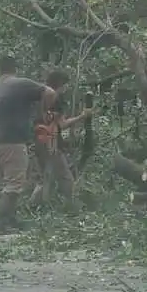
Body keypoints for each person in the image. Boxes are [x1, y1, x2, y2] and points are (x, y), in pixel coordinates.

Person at [0, 56, 57, 234]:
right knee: (15, 184)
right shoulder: (20, 83)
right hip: (12, 140)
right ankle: (0, 224)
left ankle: (11, 220)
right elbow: (50, 93)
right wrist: (44, 111)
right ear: (15, 69)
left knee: (4, 184)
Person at [30, 69, 93, 206]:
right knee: (65, 177)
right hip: (52, 143)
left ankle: (34, 206)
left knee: (44, 178)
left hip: (38, 140)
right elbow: (62, 124)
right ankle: (71, 206)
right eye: (65, 84)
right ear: (61, 84)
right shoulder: (56, 99)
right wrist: (82, 116)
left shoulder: (39, 96)